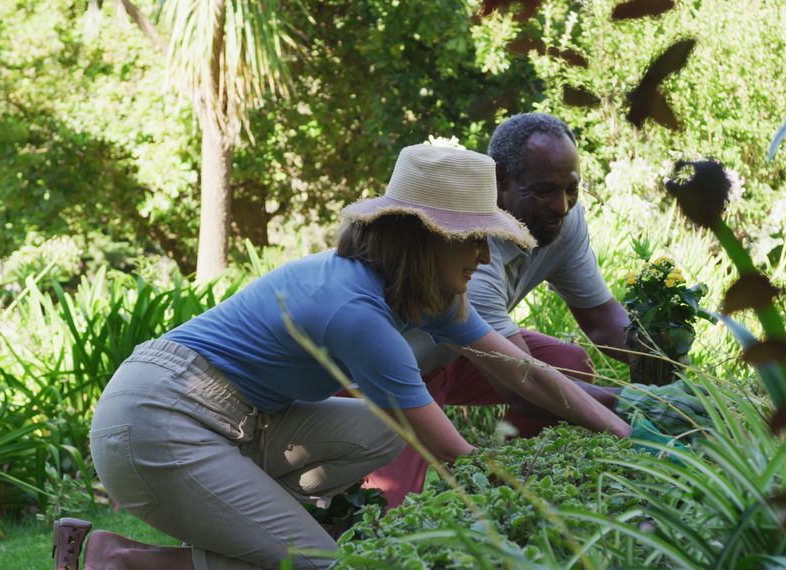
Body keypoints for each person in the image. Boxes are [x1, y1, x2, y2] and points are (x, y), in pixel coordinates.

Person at [52, 143, 632, 570]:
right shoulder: (355, 312)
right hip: (155, 423)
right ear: (422, 236)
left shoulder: (426, 293)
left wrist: (628, 429)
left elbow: (525, 373)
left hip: (237, 418)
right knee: (338, 567)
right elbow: (459, 457)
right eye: (472, 236)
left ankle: (196, 529)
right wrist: (551, 502)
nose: (485, 255)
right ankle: (122, 562)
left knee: (377, 434)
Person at [369, 114, 635, 508]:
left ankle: (529, 472)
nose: (561, 205)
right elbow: (524, 387)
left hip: (460, 350)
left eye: (571, 189)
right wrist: (637, 405)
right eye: (543, 190)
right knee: (387, 504)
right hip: (391, 370)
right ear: (501, 180)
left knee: (566, 361)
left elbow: (603, 323)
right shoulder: (469, 254)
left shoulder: (561, 220)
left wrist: (673, 366)